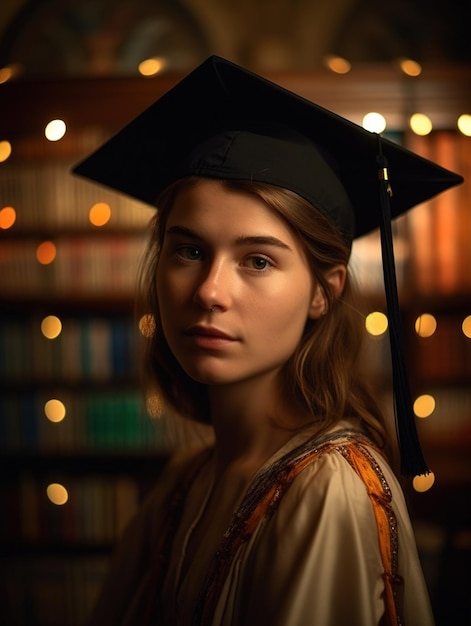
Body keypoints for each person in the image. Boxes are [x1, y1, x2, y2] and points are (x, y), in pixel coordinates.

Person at [74, 56, 462, 625]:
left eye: (257, 260)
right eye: (188, 250)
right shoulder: (186, 481)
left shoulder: (327, 490)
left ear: (322, 293)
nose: (209, 291)